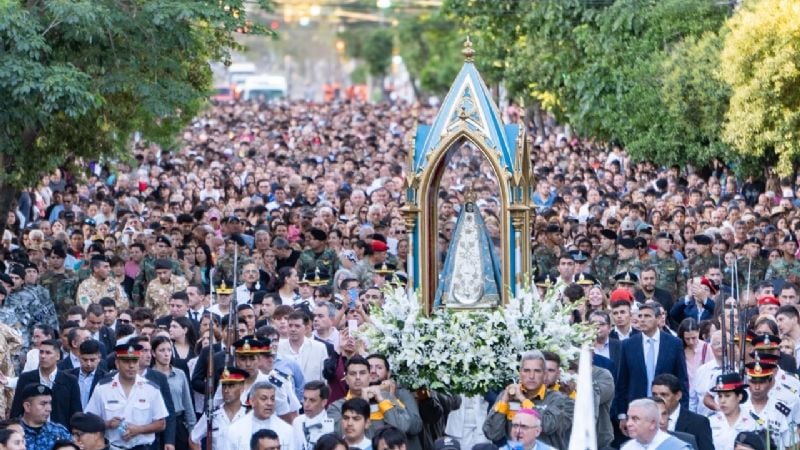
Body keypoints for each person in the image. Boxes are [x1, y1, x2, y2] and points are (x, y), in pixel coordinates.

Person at [616, 302, 689, 433]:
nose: (642, 319)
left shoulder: (674, 343)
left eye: (647, 316)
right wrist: (622, 414)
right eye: (640, 316)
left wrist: (683, 411)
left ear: (658, 319)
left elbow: (682, 380)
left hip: (666, 409)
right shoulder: (628, 345)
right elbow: (622, 382)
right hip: (637, 408)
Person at [484, 350, 574, 450]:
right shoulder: (507, 396)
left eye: (537, 371)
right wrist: (504, 402)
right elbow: (492, 433)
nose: (531, 376)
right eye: (526, 371)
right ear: (520, 373)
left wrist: (523, 400)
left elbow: (548, 426)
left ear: (544, 375)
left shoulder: (559, 399)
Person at [85, 344, 168, 450]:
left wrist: (139, 429)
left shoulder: (151, 389)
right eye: (126, 361)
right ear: (117, 364)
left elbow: (161, 423)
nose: (131, 366)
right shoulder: (102, 388)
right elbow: (89, 420)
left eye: (134, 361)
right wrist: (107, 424)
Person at [327, 356, 412, 438]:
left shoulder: (387, 398)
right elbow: (340, 435)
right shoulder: (336, 407)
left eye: (362, 373)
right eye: (353, 374)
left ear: (369, 377)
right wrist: (362, 405)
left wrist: (382, 402)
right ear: (346, 380)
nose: (358, 377)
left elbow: (403, 427)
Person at [10, 339, 82, 429]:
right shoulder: (26, 378)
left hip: (61, 435)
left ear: (58, 356)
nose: (43, 356)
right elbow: (16, 410)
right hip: (30, 433)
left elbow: (76, 412)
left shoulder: (70, 381)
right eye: (41, 352)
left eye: (48, 353)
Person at [151, 335, 196, 450]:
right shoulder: (149, 376)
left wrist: (192, 431)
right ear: (153, 353)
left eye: (169, 350)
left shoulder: (179, 374)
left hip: (178, 423)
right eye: (162, 350)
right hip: (156, 425)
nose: (166, 354)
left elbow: (187, 404)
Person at [220, 382, 295, 450]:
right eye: (264, 399)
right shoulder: (234, 430)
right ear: (252, 401)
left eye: (272, 399)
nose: (269, 403)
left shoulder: (287, 430)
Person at [190, 366, 249, 450]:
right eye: (224, 386)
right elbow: (193, 439)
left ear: (242, 388)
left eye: (231, 386)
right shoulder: (211, 414)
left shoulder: (249, 414)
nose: (226, 390)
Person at [651, 374, 713, 450]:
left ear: (678, 395)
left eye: (664, 395)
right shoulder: (646, 420)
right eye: (655, 395)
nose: (659, 399)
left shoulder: (699, 423)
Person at [708, 373, 756, 450]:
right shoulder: (710, 422)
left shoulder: (753, 422)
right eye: (720, 396)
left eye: (727, 396)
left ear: (739, 396)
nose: (722, 401)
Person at [277, 311, 328, 382]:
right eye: (290, 325)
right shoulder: (278, 348)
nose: (293, 329)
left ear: (306, 329)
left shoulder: (319, 348)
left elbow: (324, 379)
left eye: (297, 326)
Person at [622, 398, 691, 450]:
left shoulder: (677, 448)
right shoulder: (627, 447)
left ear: (653, 423)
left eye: (635, 419)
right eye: (628, 418)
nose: (628, 424)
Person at [18, 384, 72, 450]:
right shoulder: (13, 431)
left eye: (50, 403)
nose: (49, 409)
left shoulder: (60, 432)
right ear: (27, 406)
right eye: (43, 404)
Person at [65, 339, 108, 409]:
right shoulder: (67, 376)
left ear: (99, 358)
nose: (88, 364)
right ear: (79, 357)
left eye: (92, 360)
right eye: (85, 360)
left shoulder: (105, 379)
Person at [293, 381, 334, 450]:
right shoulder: (297, 421)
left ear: (324, 402)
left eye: (312, 400)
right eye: (305, 399)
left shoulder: (332, 425)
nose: (306, 404)